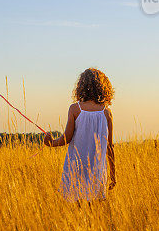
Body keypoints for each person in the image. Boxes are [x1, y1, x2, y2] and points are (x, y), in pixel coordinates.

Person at [43, 68, 116, 201]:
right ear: (103, 87)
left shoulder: (75, 109)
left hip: (75, 168)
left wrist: (50, 142)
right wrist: (113, 174)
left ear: (81, 86)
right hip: (97, 170)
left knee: (76, 211)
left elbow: (66, 138)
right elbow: (110, 147)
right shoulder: (107, 112)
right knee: (96, 212)